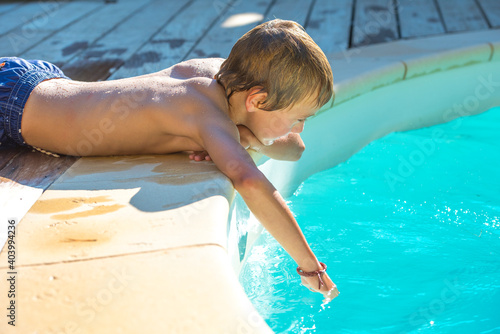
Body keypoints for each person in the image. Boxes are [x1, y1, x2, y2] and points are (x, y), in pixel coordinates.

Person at [0, 19, 339, 299]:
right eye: (298, 117)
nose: (300, 128)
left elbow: (295, 148)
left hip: (38, 84)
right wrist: (309, 266)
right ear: (257, 100)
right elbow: (248, 180)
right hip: (12, 108)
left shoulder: (222, 76)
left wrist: (248, 138)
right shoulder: (205, 113)